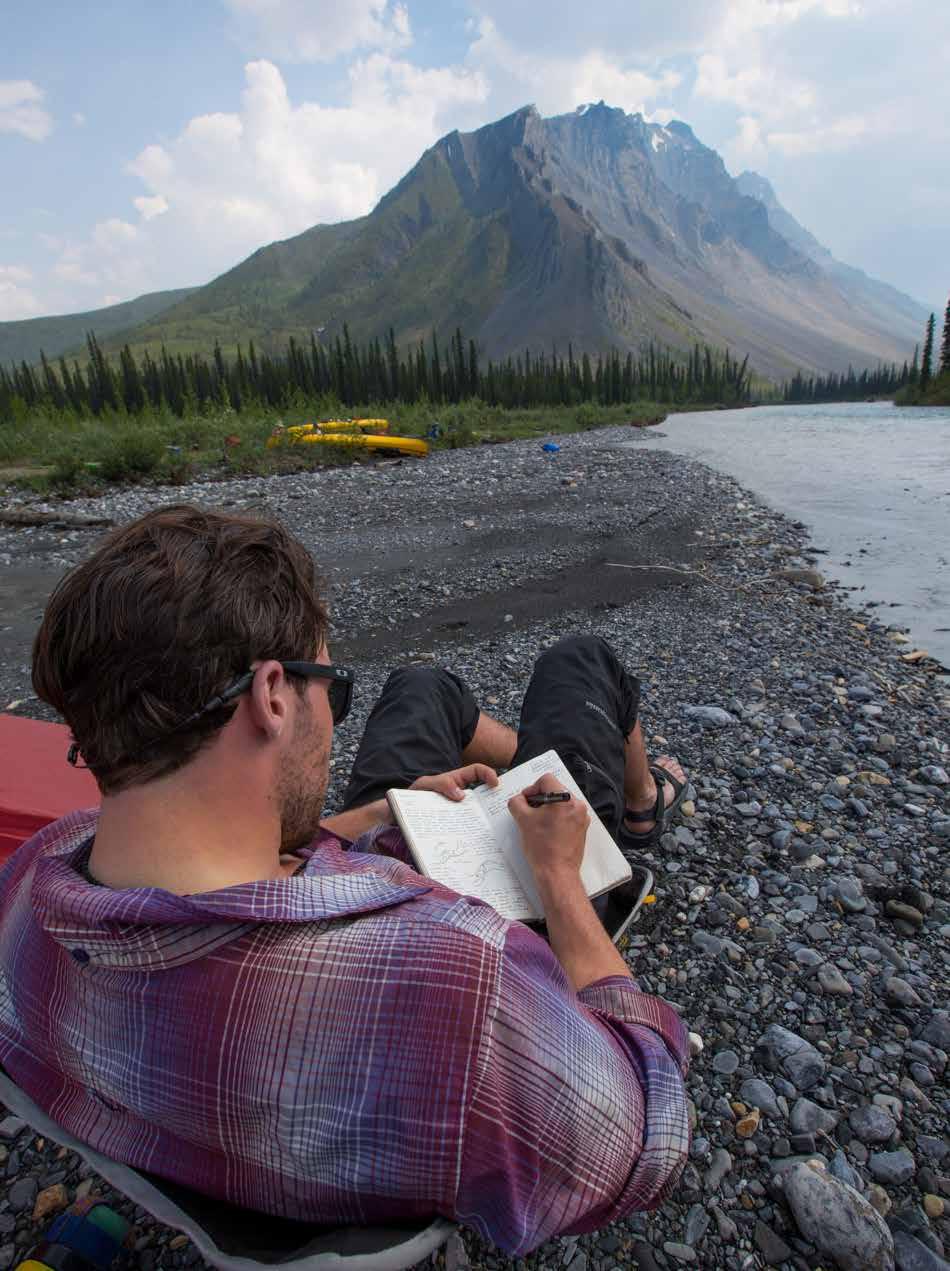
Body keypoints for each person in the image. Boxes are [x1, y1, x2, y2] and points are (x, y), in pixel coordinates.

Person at [0, 505, 690, 1258]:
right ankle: (642, 802)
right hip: (475, 950)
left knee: (422, 689)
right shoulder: (459, 986)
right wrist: (558, 880)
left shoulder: (27, 886)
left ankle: (529, 778)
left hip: (217, 1147)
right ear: (271, 696)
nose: (332, 718)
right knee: (581, 663)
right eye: (331, 688)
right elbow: (647, 1134)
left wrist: (362, 824)